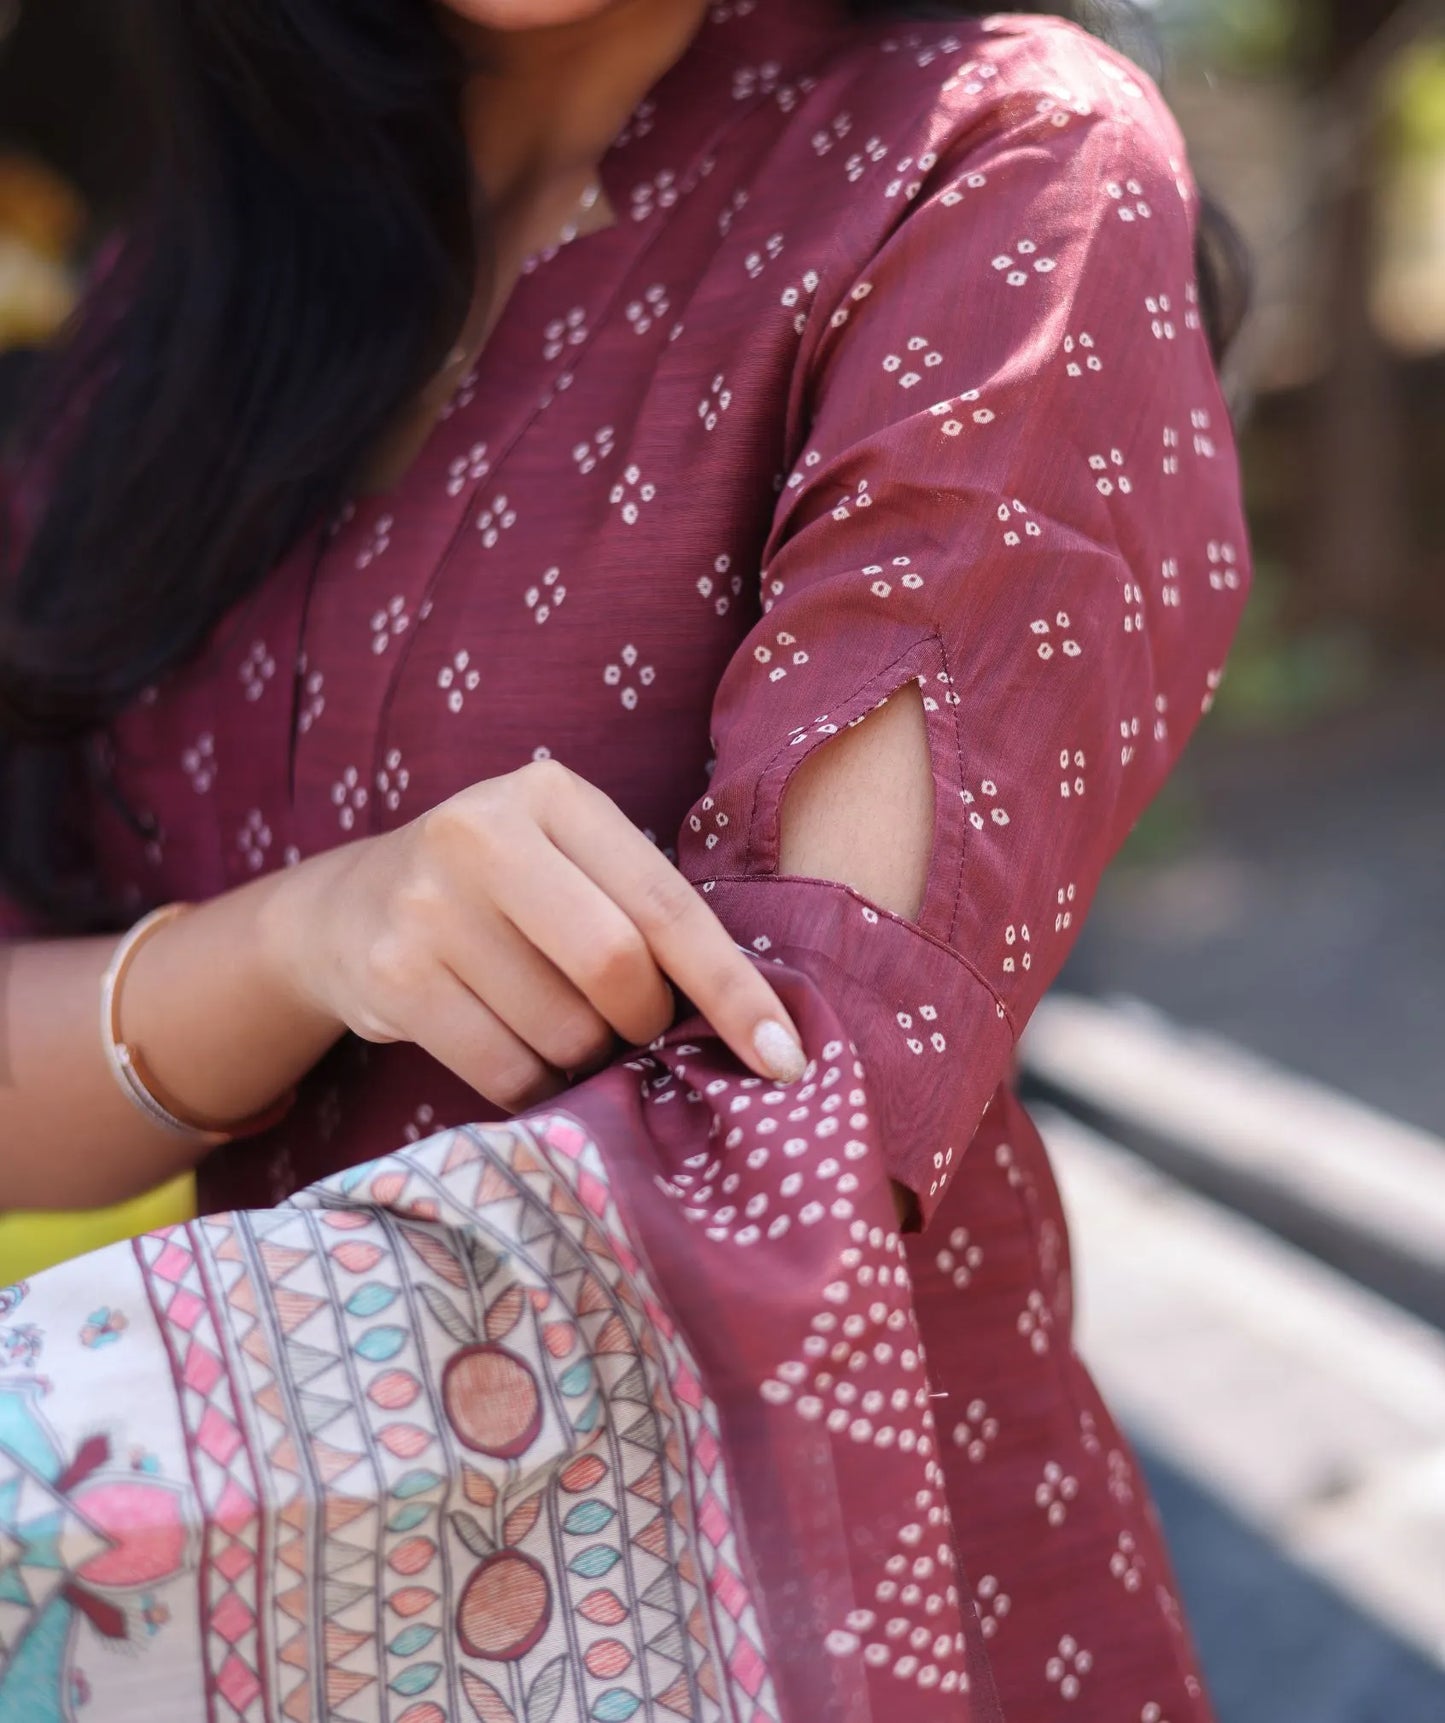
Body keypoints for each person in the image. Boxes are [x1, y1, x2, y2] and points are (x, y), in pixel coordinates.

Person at [0, 0, 1251, 1718]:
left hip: (782, 1620)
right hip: (270, 1630)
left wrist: (56, 1467)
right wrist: (298, 945)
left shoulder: (994, 160)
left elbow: (798, 1115)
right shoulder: (198, 289)